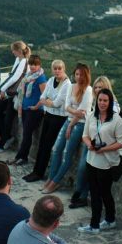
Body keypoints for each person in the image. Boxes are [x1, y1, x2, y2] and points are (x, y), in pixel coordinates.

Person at [77, 89, 122, 234]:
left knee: (103, 193)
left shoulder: (117, 120)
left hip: (107, 163)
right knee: (96, 193)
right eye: (100, 100)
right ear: (96, 101)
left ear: (110, 102)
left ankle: (96, 225)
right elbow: (85, 135)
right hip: (91, 160)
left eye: (105, 100)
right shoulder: (92, 115)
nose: (102, 103)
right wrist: (89, 145)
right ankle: (107, 221)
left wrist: (104, 149)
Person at [70, 76, 120, 209]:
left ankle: (81, 196)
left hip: (102, 146)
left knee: (88, 171)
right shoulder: (96, 102)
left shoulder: (113, 105)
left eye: (101, 87)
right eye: (96, 87)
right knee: (84, 169)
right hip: (91, 142)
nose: (97, 90)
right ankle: (81, 195)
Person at [42, 63, 92, 194]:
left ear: (86, 75)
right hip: (69, 120)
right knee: (56, 149)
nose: (78, 77)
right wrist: (74, 112)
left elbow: (83, 113)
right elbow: (66, 107)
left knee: (66, 154)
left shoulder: (88, 90)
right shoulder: (71, 86)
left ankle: (55, 182)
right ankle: (50, 178)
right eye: (76, 74)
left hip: (80, 124)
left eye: (81, 74)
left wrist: (72, 117)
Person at [22, 60, 70, 183]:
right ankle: (36, 171)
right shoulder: (50, 80)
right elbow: (42, 96)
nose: (57, 71)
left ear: (64, 69)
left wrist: (48, 102)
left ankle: (40, 173)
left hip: (59, 118)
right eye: (55, 68)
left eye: (59, 68)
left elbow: (57, 103)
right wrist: (49, 101)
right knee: (42, 144)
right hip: (48, 115)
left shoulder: (67, 84)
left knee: (47, 145)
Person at [0, 41, 29, 155]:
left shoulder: (24, 61)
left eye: (13, 50)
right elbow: (12, 76)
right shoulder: (18, 59)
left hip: (16, 94)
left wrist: (2, 89)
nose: (12, 52)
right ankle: (7, 137)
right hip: (11, 93)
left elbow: (15, 78)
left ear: (19, 51)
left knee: (8, 118)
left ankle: (2, 144)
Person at [9, 55, 47, 165]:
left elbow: (45, 96)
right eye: (30, 64)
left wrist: (35, 107)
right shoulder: (27, 76)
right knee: (25, 133)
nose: (32, 66)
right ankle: (20, 157)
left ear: (39, 65)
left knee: (27, 134)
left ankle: (22, 157)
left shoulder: (41, 78)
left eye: (35, 64)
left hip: (35, 110)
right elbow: (22, 93)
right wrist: (21, 107)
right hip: (25, 109)